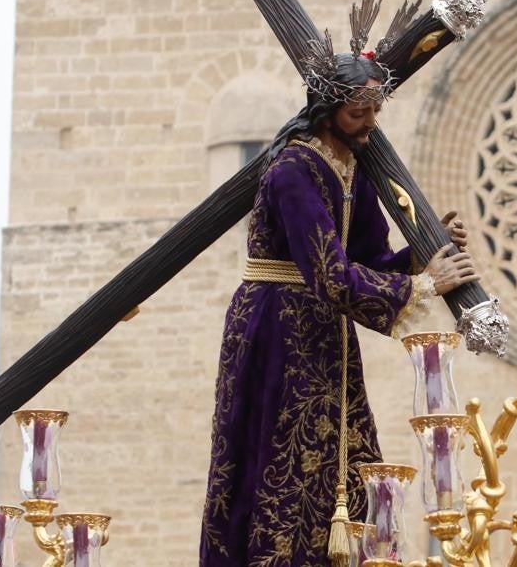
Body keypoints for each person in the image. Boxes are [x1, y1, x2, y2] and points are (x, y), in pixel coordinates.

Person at [199, 49, 478, 566]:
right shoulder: (291, 171)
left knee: (342, 466)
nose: (371, 122)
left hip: (324, 331)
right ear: (328, 108)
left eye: (376, 110)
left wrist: (425, 250)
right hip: (273, 330)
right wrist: (425, 288)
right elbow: (330, 273)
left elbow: (369, 260)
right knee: (278, 468)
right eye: (359, 112)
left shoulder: (355, 169)